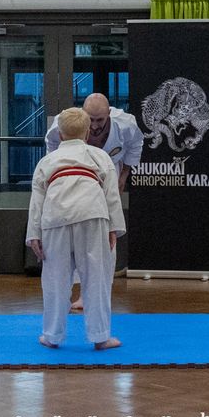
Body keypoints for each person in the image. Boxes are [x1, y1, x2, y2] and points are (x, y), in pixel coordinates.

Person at [27, 107, 126, 351]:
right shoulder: (99, 156)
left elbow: (37, 200)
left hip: (55, 215)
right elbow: (111, 194)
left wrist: (34, 234)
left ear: (60, 134)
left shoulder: (47, 161)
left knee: (55, 278)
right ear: (87, 133)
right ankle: (100, 336)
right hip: (92, 211)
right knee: (97, 276)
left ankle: (52, 335)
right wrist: (114, 227)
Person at [44, 92, 143, 309]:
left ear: (109, 114)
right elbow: (51, 146)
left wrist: (124, 175)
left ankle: (94, 294)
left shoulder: (125, 124)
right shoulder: (65, 122)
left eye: (100, 120)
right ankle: (72, 291)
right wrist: (55, 171)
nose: (95, 126)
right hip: (73, 174)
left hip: (109, 171)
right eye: (91, 120)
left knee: (108, 234)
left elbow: (136, 144)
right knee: (76, 233)